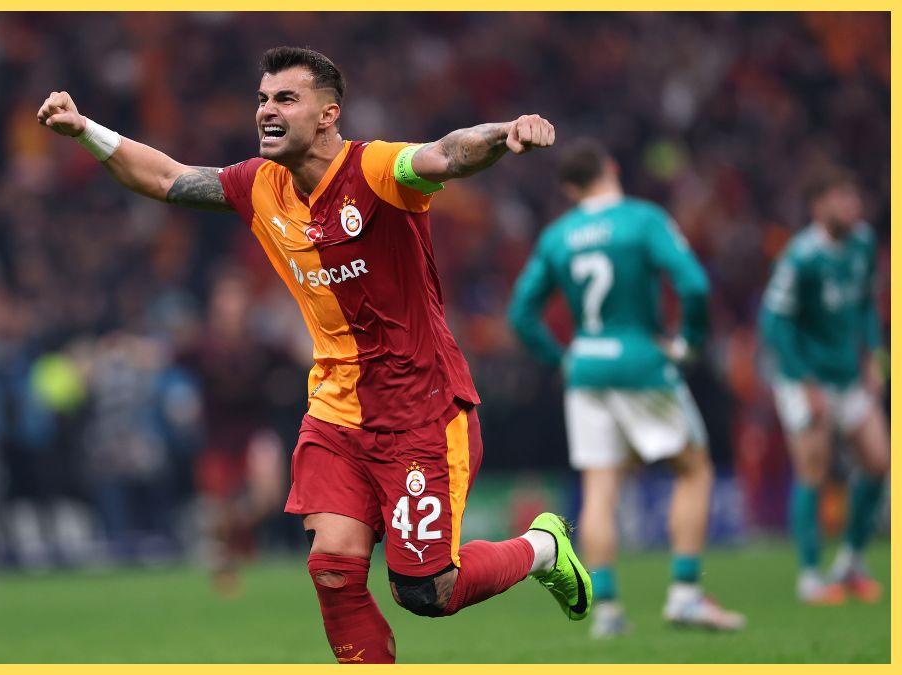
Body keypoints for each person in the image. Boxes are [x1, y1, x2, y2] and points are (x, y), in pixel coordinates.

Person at [37, 46, 590, 663]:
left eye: (285, 99)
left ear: (328, 114)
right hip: (335, 411)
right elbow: (167, 178)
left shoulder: (376, 169)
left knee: (426, 591)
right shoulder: (261, 184)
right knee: (332, 569)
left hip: (421, 410)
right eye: (262, 99)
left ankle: (543, 549)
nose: (266, 111)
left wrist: (504, 134)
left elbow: (446, 153)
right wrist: (85, 131)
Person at [508, 138, 744, 638]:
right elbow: (694, 285)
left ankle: (609, 612)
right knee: (693, 469)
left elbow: (521, 314)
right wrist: (689, 343)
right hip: (641, 362)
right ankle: (686, 594)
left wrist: (561, 358)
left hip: (587, 368)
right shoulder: (643, 220)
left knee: (600, 488)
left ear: (570, 189)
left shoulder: (557, 236)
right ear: (611, 168)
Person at [758, 167, 889, 606]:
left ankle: (851, 561)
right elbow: (773, 323)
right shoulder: (800, 257)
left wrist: (875, 355)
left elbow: (867, 304)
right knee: (813, 470)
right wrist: (803, 380)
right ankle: (810, 576)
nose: (852, 207)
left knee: (879, 460)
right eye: (841, 199)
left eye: (854, 198)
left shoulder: (863, 243)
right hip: (805, 378)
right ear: (819, 207)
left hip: (848, 375)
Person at [178, 271, 291, 595]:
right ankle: (227, 561)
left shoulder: (261, 345)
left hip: (255, 433)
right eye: (226, 299)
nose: (232, 306)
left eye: (237, 298)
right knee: (217, 512)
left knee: (268, 497)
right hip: (216, 440)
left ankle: (235, 533)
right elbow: (167, 356)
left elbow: (295, 359)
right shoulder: (202, 346)